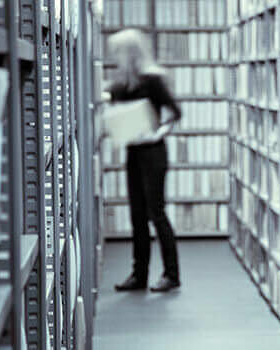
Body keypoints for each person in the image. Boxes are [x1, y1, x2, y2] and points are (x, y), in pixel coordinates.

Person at [106, 29, 181, 292]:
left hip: (153, 153)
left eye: (118, 52)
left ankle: (171, 275)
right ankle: (139, 275)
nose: (114, 57)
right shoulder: (121, 84)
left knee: (156, 213)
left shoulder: (152, 80)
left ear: (130, 53)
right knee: (137, 215)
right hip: (133, 153)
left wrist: (156, 134)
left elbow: (175, 113)